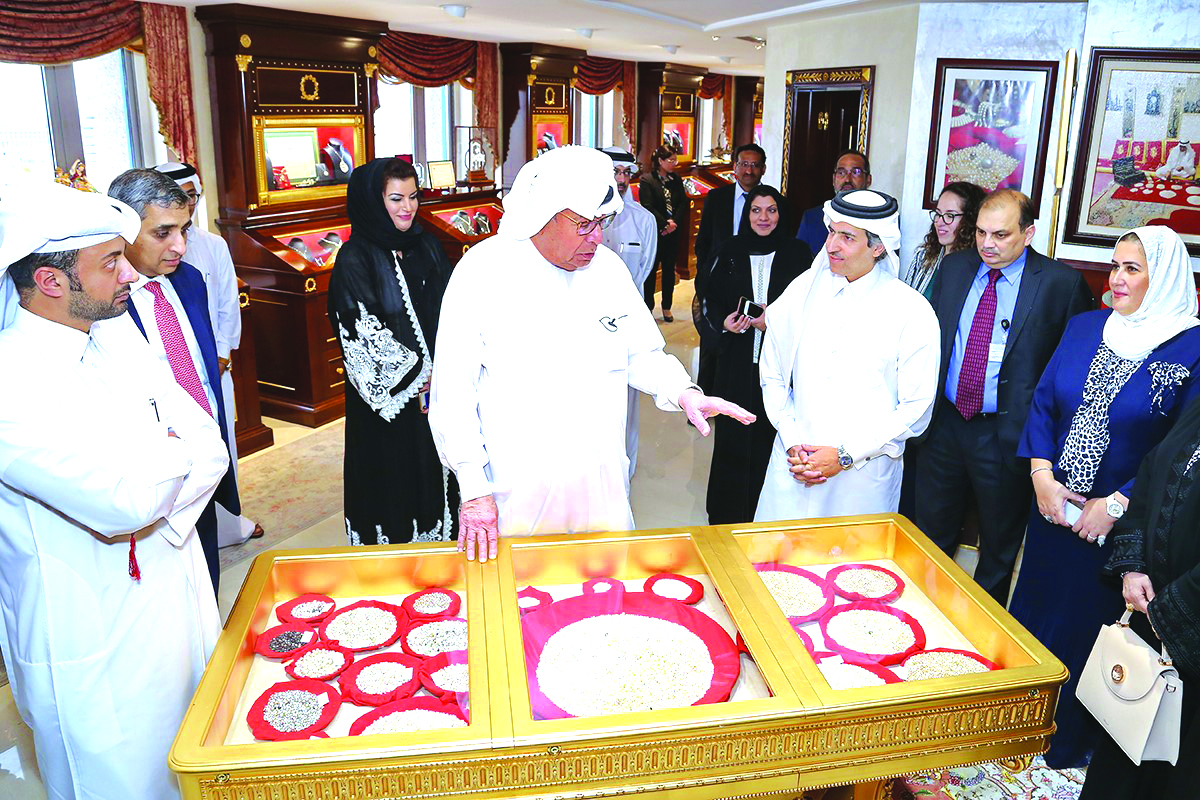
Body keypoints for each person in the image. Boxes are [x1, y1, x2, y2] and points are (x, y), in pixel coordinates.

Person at [0, 181, 225, 799]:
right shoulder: (11, 381)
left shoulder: (111, 333)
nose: (131, 272)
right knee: (122, 781)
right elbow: (123, 503)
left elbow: (208, 445)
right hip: (92, 629)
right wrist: (158, 466)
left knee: (198, 754)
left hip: (175, 588)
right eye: (110, 261)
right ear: (50, 281)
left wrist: (154, 468)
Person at [429, 146, 755, 562]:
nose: (598, 237)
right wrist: (474, 491)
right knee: (522, 604)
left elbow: (641, 352)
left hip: (600, 484)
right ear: (545, 214)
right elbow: (453, 393)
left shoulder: (607, 270)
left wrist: (685, 391)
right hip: (518, 490)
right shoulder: (483, 271)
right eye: (585, 224)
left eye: (603, 222)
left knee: (602, 603)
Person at [1007, 226, 1200, 769]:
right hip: (1051, 508)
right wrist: (1042, 475)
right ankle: (1017, 727)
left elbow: (1181, 449)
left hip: (1122, 531)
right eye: (1115, 266)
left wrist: (1116, 504)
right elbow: (1044, 402)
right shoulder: (1086, 326)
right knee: (1034, 619)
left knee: (1091, 633)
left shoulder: (1191, 348)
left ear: (1161, 278)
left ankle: (1069, 742)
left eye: (1132, 269)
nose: (1116, 279)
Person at [913, 189, 1094, 605]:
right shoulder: (956, 267)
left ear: (1028, 234)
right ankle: (920, 614)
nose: (987, 244)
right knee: (929, 536)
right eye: (979, 232)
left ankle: (984, 634)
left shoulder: (1059, 285)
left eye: (1000, 234)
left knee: (997, 549)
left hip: (1006, 436)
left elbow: (1074, 372)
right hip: (944, 427)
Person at [755, 189, 940, 521]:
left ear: (878, 246)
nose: (831, 245)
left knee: (849, 570)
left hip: (861, 479)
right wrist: (791, 438)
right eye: (831, 231)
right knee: (776, 565)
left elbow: (916, 407)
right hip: (794, 464)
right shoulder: (802, 291)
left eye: (847, 237)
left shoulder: (911, 311)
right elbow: (772, 371)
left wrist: (843, 456)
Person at [108, 168, 241, 594]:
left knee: (208, 578)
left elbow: (199, 366)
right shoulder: (104, 304)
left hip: (204, 457)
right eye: (163, 233)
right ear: (124, 229)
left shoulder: (188, 279)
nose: (180, 246)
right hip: (157, 476)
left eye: (184, 229)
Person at [328, 157, 459, 545]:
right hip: (390, 408)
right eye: (396, 199)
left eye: (413, 197)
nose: (408, 208)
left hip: (442, 390)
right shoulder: (354, 258)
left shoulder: (428, 244)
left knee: (441, 472)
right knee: (397, 477)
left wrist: (451, 368)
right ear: (372, 201)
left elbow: (453, 307)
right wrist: (420, 379)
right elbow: (358, 330)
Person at [1078, 396, 1200, 798]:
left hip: (1190, 626)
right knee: (1125, 741)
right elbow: (1151, 473)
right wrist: (1133, 566)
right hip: (1152, 609)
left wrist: (1172, 606)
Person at [155, 162, 264, 545]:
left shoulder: (212, 244)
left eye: (193, 196)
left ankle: (228, 524)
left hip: (214, 370)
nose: (189, 203)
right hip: (169, 384)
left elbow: (226, 306)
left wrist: (219, 355)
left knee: (221, 448)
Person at [703, 185, 812, 523]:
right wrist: (725, 322)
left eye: (771, 210)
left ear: (782, 214)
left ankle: (765, 515)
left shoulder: (798, 253)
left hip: (779, 369)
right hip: (735, 363)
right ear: (746, 213)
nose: (763, 218)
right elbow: (708, 299)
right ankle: (727, 514)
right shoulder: (729, 250)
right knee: (734, 435)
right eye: (756, 210)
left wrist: (774, 323)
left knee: (771, 436)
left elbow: (808, 308)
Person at [600, 147, 659, 479]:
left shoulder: (644, 221)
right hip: (586, 328)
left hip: (626, 327)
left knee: (627, 409)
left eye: (626, 173)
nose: (621, 180)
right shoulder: (585, 217)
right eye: (615, 173)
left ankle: (624, 478)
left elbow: (644, 272)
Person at [694, 143, 767, 394]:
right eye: (744, 164)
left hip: (752, 283)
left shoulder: (769, 202)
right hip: (718, 281)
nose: (749, 170)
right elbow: (703, 241)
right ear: (735, 167)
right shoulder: (717, 198)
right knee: (712, 341)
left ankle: (735, 399)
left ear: (763, 169)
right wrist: (704, 275)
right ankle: (705, 398)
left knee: (744, 345)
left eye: (755, 165)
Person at [901, 182, 986, 299]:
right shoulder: (923, 257)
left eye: (950, 215)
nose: (940, 222)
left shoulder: (980, 266)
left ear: (970, 219)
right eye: (938, 214)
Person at [637, 146, 687, 322]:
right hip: (656, 232)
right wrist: (665, 224)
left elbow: (682, 203)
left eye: (675, 160)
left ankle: (667, 307)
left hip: (672, 234)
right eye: (671, 160)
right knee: (650, 272)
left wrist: (674, 224)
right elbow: (648, 206)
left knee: (668, 271)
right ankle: (648, 306)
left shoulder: (675, 179)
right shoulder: (647, 180)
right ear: (660, 161)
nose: (674, 164)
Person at [795, 150, 871, 257]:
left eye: (855, 172)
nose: (847, 179)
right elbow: (799, 260)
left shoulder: (881, 219)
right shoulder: (812, 218)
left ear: (868, 180)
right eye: (841, 173)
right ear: (833, 179)